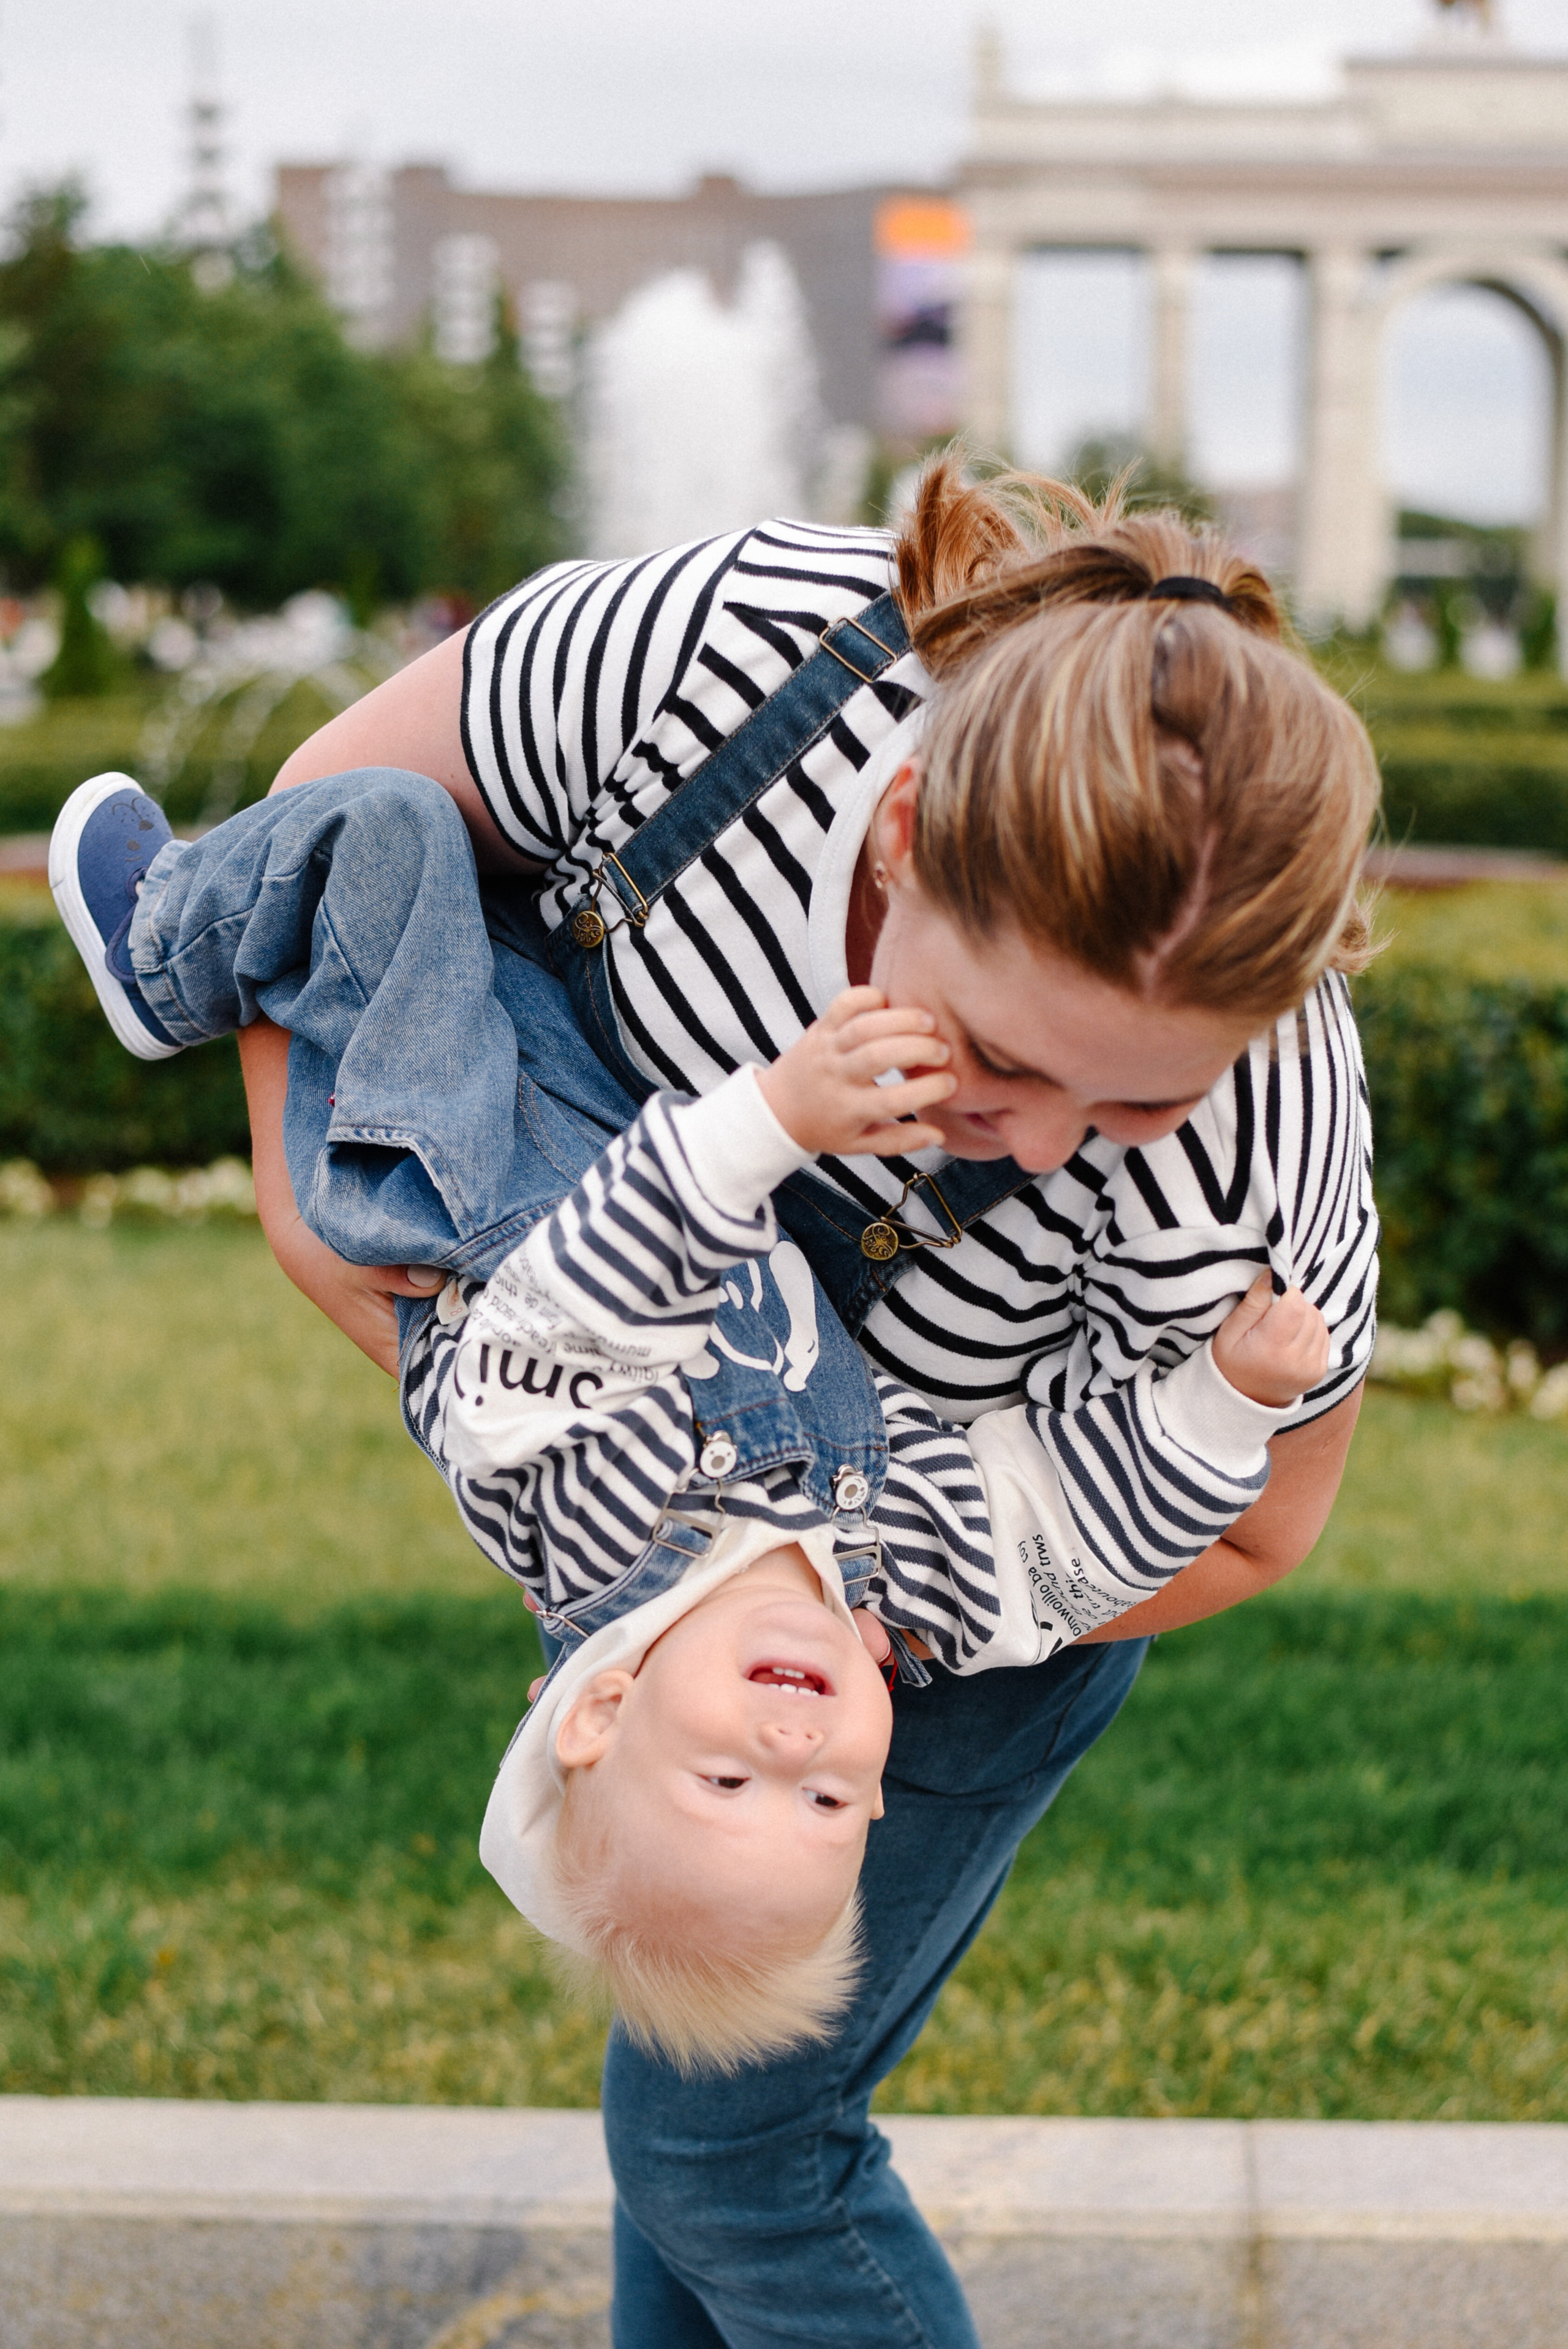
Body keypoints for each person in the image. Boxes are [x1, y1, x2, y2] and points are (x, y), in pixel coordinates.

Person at [69, 460, 1384, 2347]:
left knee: (729, 2150)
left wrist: (914, 1594)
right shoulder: (728, 658)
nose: (1046, 1144)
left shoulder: (1264, 1148)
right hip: (680, 1465)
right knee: (695, 2132)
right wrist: (318, 1200)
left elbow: (1253, 1526)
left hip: (967, 1594)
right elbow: (329, 820)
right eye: (1001, 1057)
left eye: (1139, 1104)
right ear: (904, 831)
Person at [53, 764, 1327, 2078]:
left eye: (727, 1784)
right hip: (618, 1110)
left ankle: (162, 955)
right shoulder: (904, 1575)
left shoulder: (587, 1535)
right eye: (824, 1797)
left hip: (461, 1165)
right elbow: (1080, 1545)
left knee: (386, 832)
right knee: (486, 872)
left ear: (599, 1712)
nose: (791, 1747)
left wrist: (771, 1123)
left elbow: (587, 1304)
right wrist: (1223, 1405)